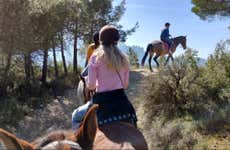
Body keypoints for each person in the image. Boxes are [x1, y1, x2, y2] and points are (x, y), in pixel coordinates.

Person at [85, 25, 137, 127]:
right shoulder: (124, 58)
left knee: (76, 117)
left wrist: (88, 81)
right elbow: (125, 85)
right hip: (122, 101)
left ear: (101, 40)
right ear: (117, 40)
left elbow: (91, 86)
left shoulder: (95, 58)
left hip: (102, 102)